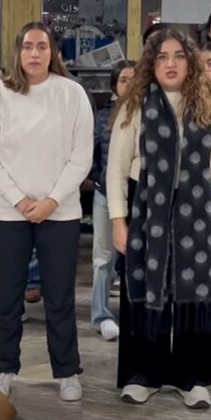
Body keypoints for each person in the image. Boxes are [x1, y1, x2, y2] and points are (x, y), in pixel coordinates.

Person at [108, 28, 211, 408]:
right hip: (146, 208)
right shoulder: (135, 106)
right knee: (144, 293)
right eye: (162, 56)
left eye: (178, 56)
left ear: (191, 61)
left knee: (193, 298)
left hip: (197, 211)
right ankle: (142, 375)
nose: (170, 63)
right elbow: (115, 168)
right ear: (152, 63)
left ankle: (191, 377)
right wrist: (118, 221)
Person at [0, 22, 93, 402]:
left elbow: (81, 157)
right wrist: (20, 200)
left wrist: (51, 201)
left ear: (52, 52)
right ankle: (3, 368)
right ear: (17, 52)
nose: (35, 54)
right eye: (28, 46)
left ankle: (67, 370)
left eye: (42, 46)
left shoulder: (72, 94)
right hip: (8, 213)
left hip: (60, 212)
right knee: (8, 297)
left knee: (59, 296)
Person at [89, 60, 135, 342]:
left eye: (134, 79)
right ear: (114, 85)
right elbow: (91, 152)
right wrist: (98, 177)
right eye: (123, 80)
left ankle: (133, 313)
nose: (129, 84)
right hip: (106, 196)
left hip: (139, 198)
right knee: (103, 258)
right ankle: (102, 315)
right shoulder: (102, 117)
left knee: (134, 261)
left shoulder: (151, 114)